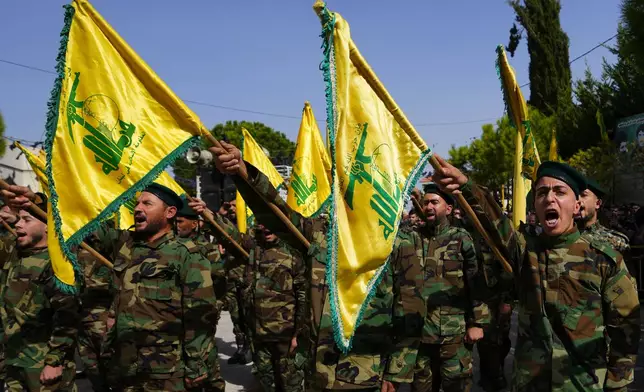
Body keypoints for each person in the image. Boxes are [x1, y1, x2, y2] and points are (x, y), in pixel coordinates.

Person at [209, 140, 424, 392]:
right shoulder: (320, 232)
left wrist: (397, 373)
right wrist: (242, 173)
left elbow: (411, 308)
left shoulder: (397, 241)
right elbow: (275, 213)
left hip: (366, 373)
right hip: (315, 370)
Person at [432, 158, 641, 391]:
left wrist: (617, 384)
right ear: (536, 206)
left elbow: (625, 328)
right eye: (542, 193)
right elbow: (495, 223)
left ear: (576, 206)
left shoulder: (604, 260)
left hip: (581, 385)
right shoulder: (525, 251)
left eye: (560, 192)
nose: (549, 198)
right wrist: (467, 185)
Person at [403, 184, 488, 392]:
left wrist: (477, 322)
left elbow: (476, 282)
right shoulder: (413, 238)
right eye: (425, 202)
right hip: (420, 334)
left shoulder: (461, 238)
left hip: (454, 335)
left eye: (434, 202)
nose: (429, 206)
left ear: (448, 208)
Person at [0, 190, 79, 392]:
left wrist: (54, 361)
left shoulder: (58, 263)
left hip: (42, 364)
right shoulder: (13, 250)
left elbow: (67, 317)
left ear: (47, 227)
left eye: (27, 220)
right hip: (13, 359)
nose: (18, 225)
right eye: (18, 219)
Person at [175, 202, 227, 392]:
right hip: (178, 315)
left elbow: (219, 279)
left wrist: (216, 306)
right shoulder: (172, 246)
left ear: (195, 224)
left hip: (202, 314)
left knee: (207, 361)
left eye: (180, 221)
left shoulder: (206, 248)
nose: (176, 225)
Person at [76, 236, 113, 392]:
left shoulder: (109, 251)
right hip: (80, 318)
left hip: (102, 319)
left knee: (111, 369)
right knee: (92, 369)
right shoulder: (74, 251)